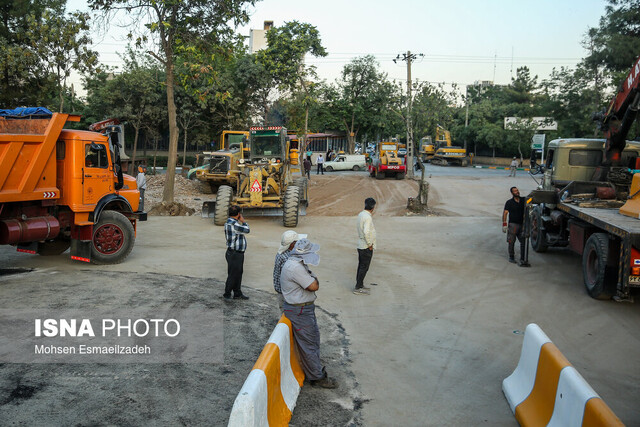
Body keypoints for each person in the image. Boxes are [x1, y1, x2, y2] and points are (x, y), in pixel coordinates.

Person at [281, 238, 337, 388]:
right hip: (300, 311)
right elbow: (313, 285)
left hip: (301, 309)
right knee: (309, 344)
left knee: (311, 341)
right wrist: (314, 279)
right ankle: (316, 377)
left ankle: (314, 371)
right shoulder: (296, 268)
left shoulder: (294, 264)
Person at [224, 205, 250, 300]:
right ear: (238, 214)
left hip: (233, 253)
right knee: (233, 274)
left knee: (237, 273)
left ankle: (237, 293)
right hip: (235, 254)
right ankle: (227, 294)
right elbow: (247, 230)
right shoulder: (235, 225)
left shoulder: (228, 222)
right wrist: (243, 221)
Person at [354, 197, 377, 295]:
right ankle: (358, 287)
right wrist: (370, 244)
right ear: (373, 207)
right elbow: (366, 232)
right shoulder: (367, 217)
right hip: (365, 246)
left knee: (361, 266)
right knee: (364, 267)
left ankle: (360, 285)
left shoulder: (361, 214)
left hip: (361, 245)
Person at [273, 230, 299, 308]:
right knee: (287, 314)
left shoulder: (282, 253)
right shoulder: (287, 258)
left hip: (281, 289)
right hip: (286, 292)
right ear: (292, 244)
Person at [502, 187, 526, 265]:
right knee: (511, 241)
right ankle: (511, 256)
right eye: (515, 191)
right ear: (512, 193)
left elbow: (531, 200)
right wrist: (504, 224)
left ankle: (523, 258)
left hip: (522, 224)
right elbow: (505, 213)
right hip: (513, 225)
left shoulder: (523, 200)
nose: (517, 192)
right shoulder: (509, 202)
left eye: (517, 190)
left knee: (523, 241)